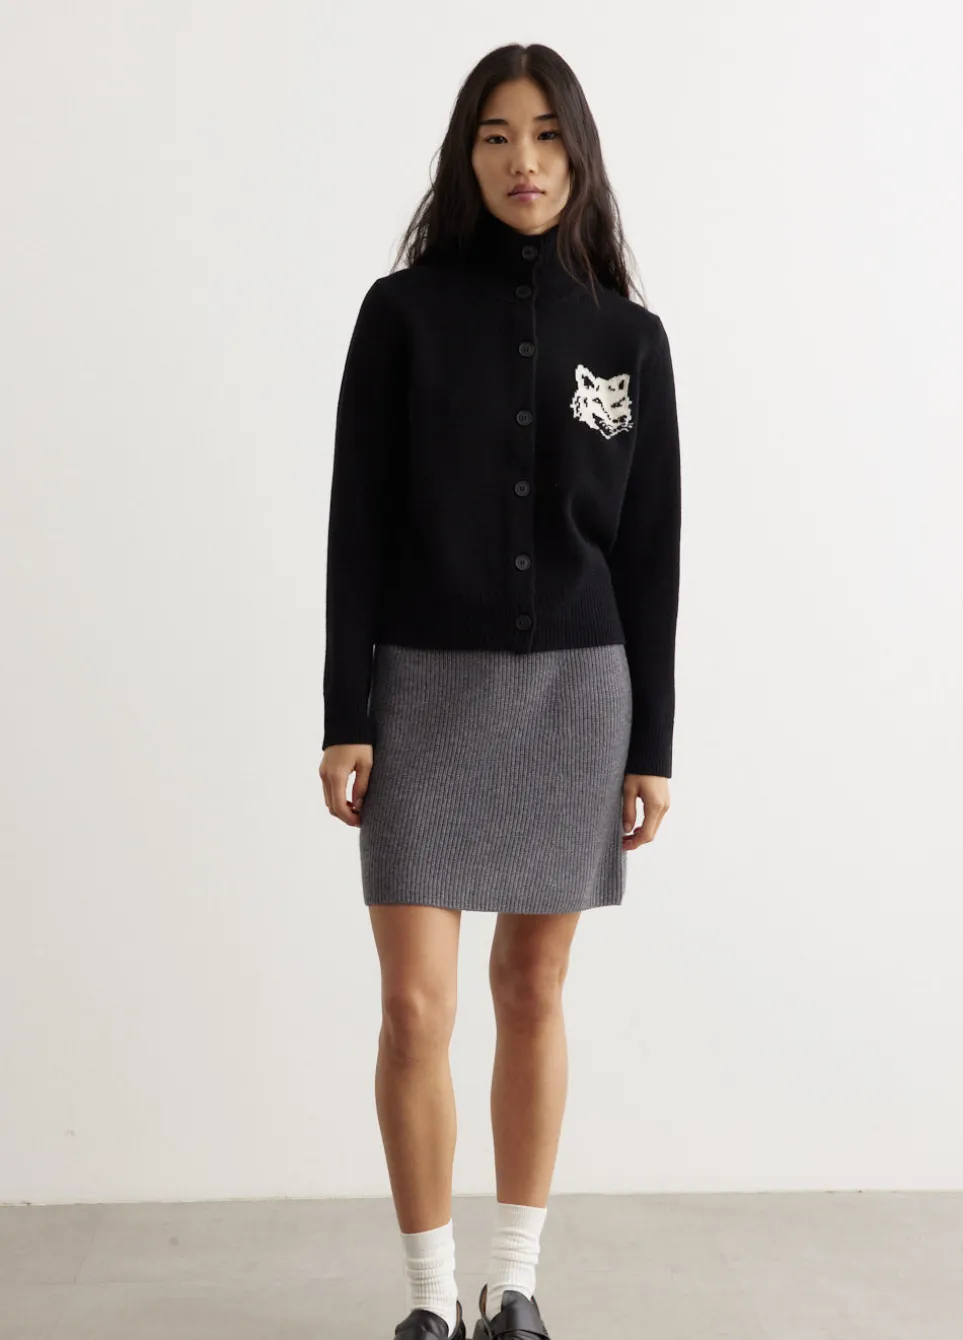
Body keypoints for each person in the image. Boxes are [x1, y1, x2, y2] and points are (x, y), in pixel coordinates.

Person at [318, 41, 682, 1340]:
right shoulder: (400, 315)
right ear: (464, 157)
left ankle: (514, 1288)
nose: (522, 160)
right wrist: (345, 715)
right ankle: (429, 1302)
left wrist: (653, 743)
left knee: (532, 990)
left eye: (544, 135)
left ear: (578, 155)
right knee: (413, 1004)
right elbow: (356, 526)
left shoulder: (628, 340)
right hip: (420, 697)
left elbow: (650, 554)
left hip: (577, 703)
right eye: (495, 135)